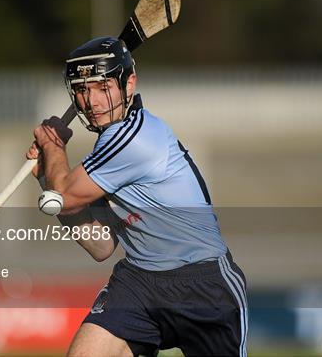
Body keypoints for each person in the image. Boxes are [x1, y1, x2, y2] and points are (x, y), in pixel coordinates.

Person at [27, 37, 248, 357]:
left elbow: (62, 196)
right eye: (82, 89)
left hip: (202, 283)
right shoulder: (107, 150)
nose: (92, 102)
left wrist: (52, 147)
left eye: (103, 87)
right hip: (140, 281)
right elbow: (100, 244)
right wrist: (48, 174)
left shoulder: (135, 138)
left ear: (128, 84)